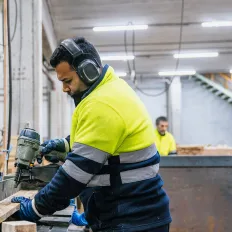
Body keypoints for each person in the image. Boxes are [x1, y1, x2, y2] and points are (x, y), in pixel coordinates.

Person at [11, 37, 172, 231]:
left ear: (87, 71)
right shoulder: (110, 89)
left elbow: (73, 177)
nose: (64, 88)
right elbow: (107, 145)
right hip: (133, 213)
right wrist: (66, 145)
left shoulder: (102, 105)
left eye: (67, 81)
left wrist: (34, 208)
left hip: (132, 220)